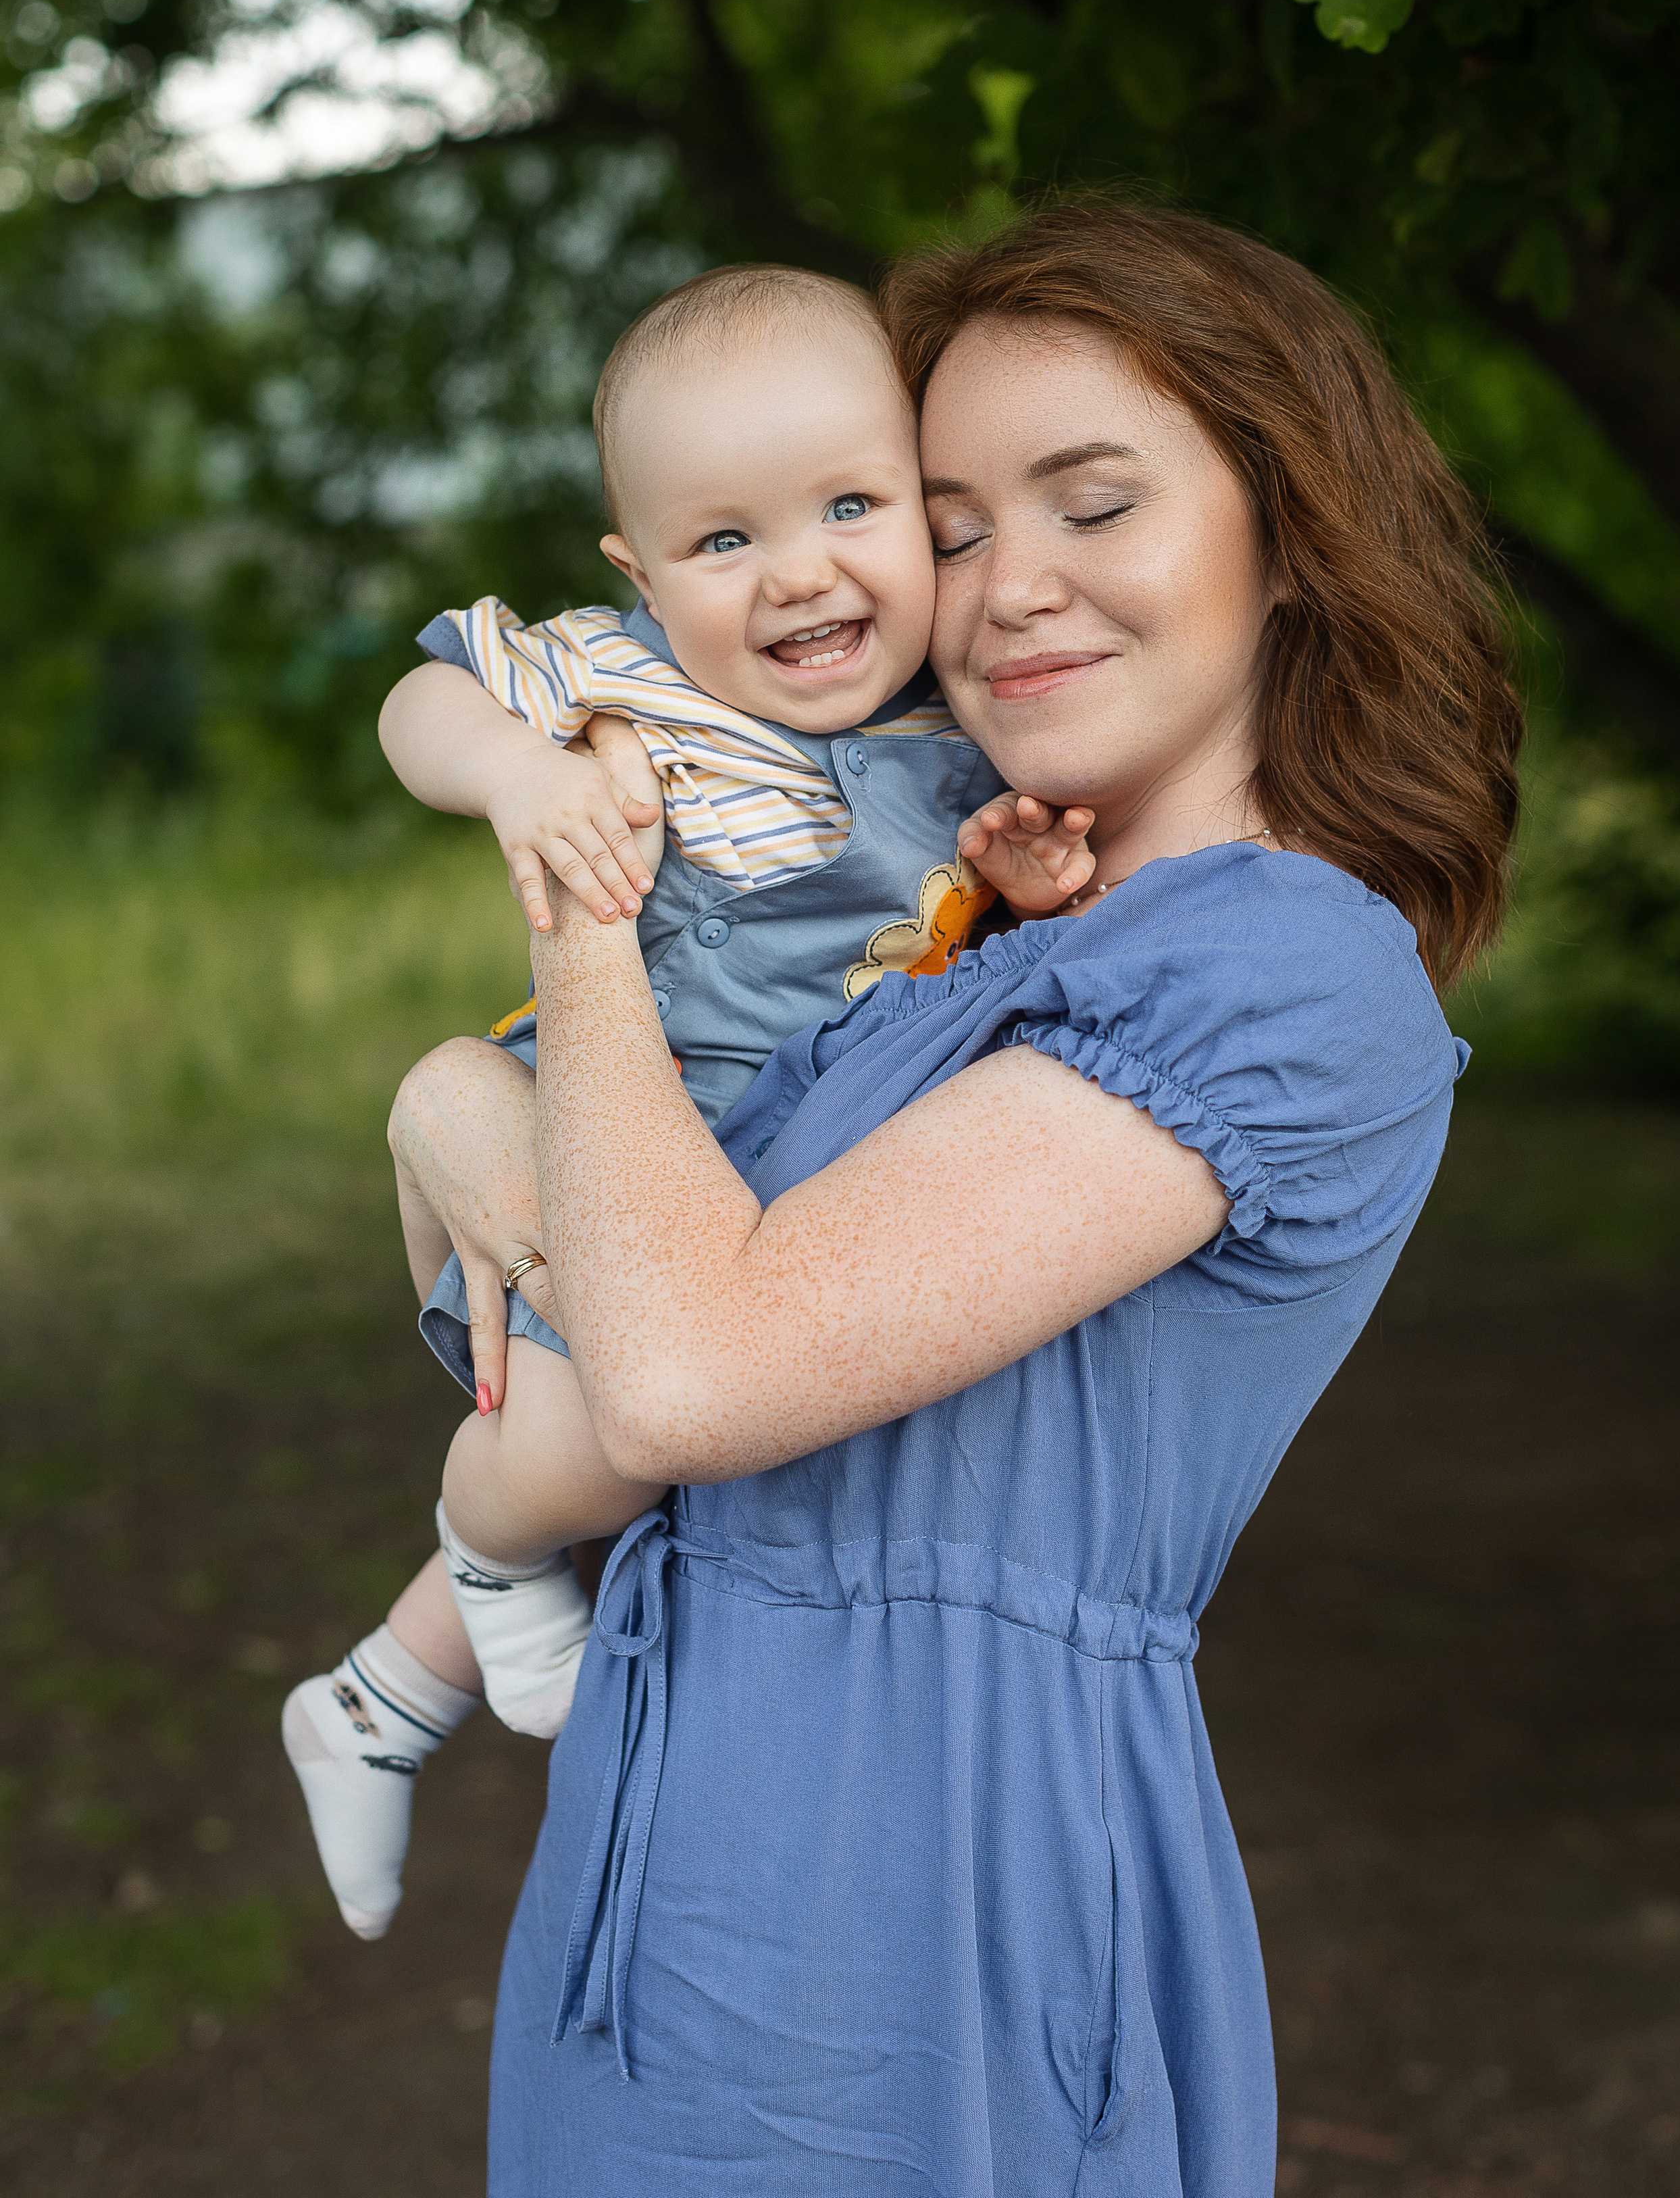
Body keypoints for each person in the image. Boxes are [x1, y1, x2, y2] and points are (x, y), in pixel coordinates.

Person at [390, 196, 1523, 2195]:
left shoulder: (1279, 962)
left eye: (1095, 502)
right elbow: (626, 1268)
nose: (1010, 588)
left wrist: (568, 904)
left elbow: (682, 1375)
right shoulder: (956, 937)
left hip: (912, 1923)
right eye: (962, 521)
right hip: (662, 1878)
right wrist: (452, 1109)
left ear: (1285, 534)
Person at [281, 262, 1096, 1941]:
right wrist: (517, 771)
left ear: (926, 520)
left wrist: (1020, 873)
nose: (797, 570)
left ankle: (372, 1700)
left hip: (793, 1179)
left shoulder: (967, 721)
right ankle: (490, 1567)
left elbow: (985, 931)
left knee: (697, 1432)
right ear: (639, 571)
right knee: (601, 1440)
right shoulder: (626, 679)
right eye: (721, 542)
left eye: (850, 506)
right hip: (617, 1132)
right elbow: (415, 697)